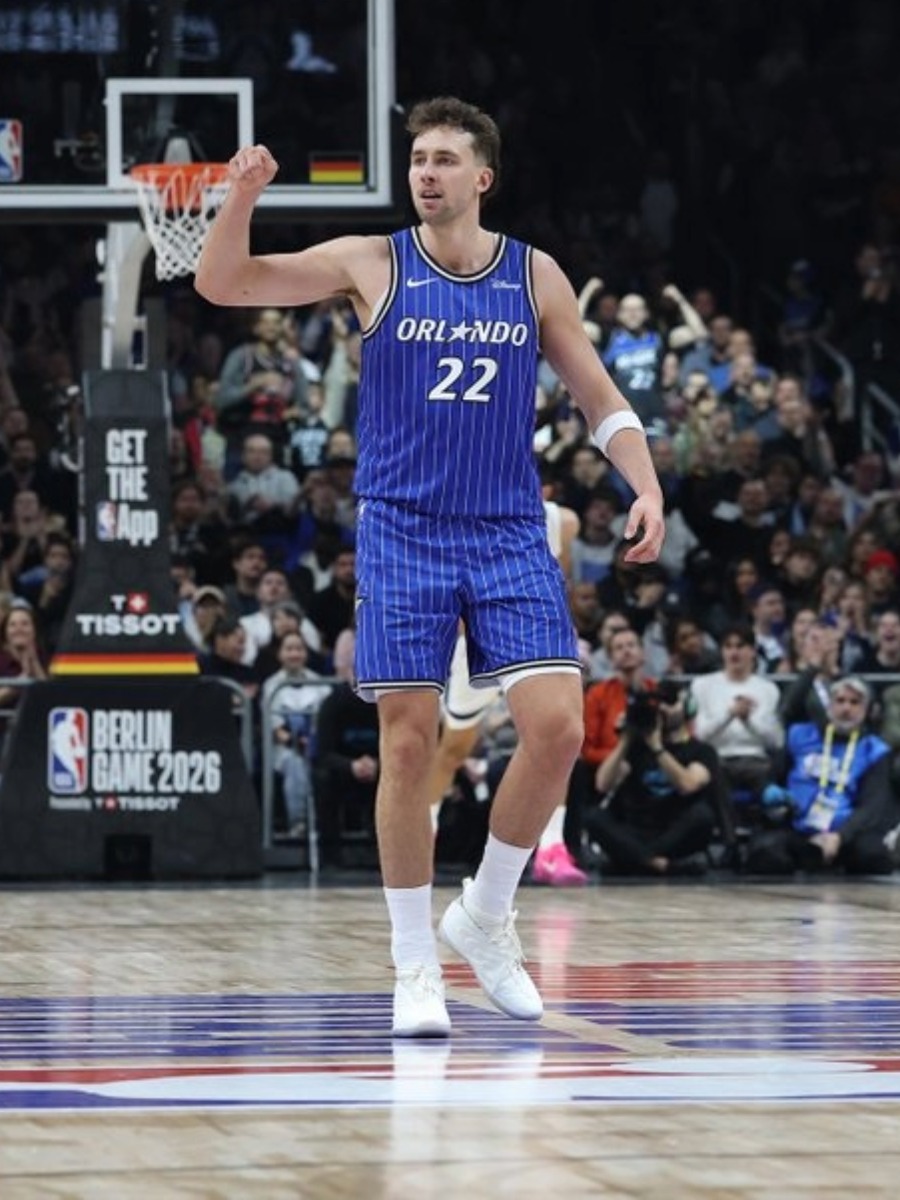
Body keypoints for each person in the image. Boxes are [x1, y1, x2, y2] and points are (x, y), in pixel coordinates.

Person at [195, 95, 665, 1038]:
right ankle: (415, 964)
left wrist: (644, 484)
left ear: (481, 177)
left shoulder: (533, 276)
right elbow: (226, 284)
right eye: (418, 157)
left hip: (504, 529)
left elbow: (598, 396)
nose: (425, 172)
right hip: (403, 527)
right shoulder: (373, 260)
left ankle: (487, 916)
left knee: (559, 730)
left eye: (445, 159)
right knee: (408, 742)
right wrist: (239, 198)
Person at [745, 676, 896, 876]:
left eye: (854, 702)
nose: (846, 709)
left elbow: (870, 806)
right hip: (798, 828)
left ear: (867, 710)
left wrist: (840, 836)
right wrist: (768, 791)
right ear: (829, 706)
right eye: (840, 701)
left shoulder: (874, 750)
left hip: (845, 835)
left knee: (873, 856)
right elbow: (769, 777)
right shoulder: (799, 735)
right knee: (764, 852)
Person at [585, 679, 721, 876]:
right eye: (660, 705)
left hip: (674, 831)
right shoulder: (637, 746)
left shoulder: (702, 750)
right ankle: (659, 865)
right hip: (636, 830)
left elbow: (687, 784)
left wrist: (657, 748)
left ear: (688, 708)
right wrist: (625, 740)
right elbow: (602, 784)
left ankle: (634, 860)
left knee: (703, 816)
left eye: (670, 703)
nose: (663, 709)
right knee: (594, 816)